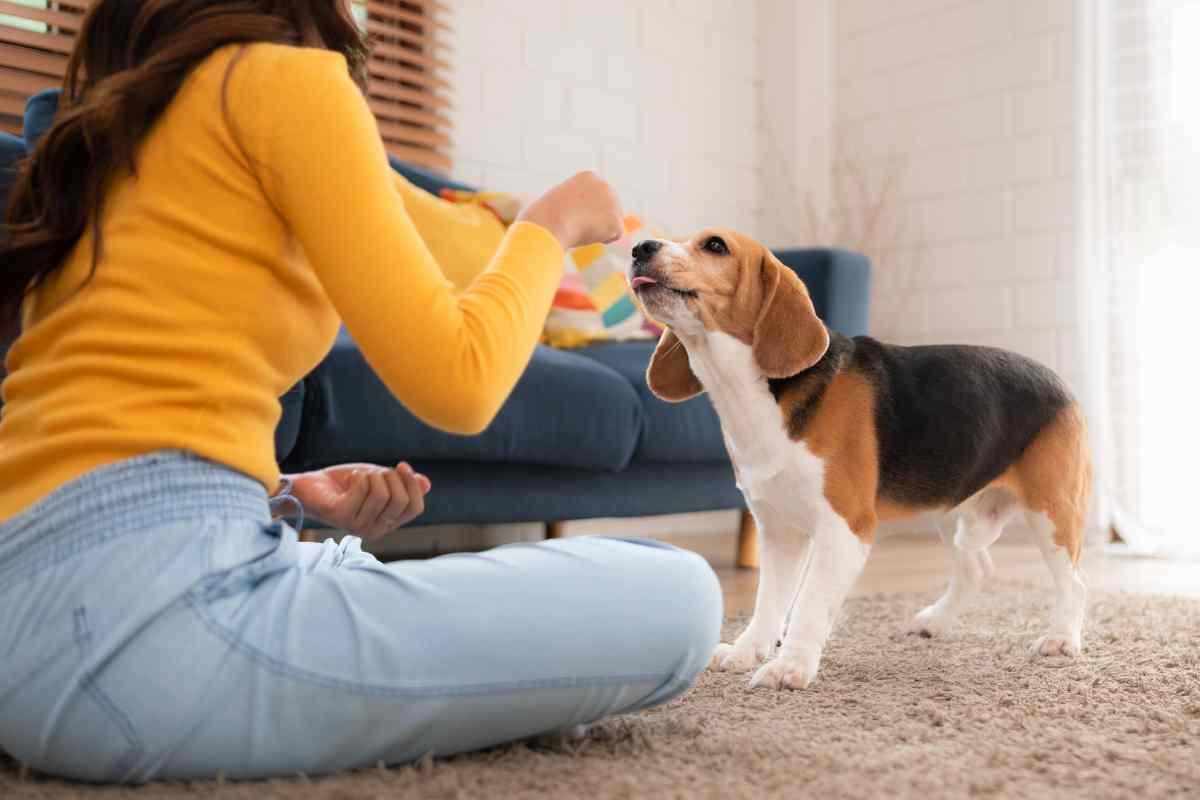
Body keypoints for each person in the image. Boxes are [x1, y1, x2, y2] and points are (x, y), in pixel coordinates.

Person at [0, 0, 721, 783]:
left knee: (346, 572)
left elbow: (90, 417)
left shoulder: (108, 134)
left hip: (33, 604)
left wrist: (278, 489)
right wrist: (551, 223)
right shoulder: (287, 83)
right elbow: (462, 382)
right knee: (678, 593)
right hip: (138, 638)